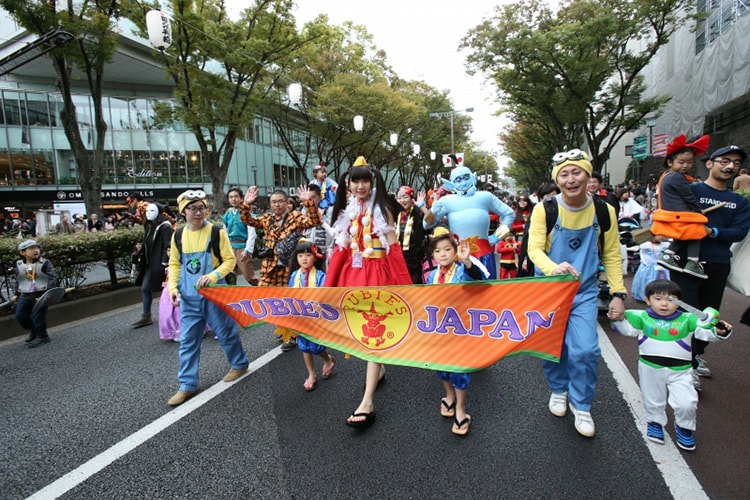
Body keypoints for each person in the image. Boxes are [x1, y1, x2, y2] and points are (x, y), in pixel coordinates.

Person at [527, 149, 626, 438]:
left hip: (583, 291)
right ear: (557, 179)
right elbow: (534, 249)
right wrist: (553, 267)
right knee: (551, 346)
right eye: (564, 174)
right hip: (548, 290)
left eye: (577, 172)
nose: (571, 179)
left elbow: (611, 254)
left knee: (585, 349)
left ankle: (582, 405)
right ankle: (558, 389)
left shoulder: (604, 210)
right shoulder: (545, 209)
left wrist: (618, 292)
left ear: (588, 175)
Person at [324, 156, 412, 428]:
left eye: (365, 180)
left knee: (373, 336)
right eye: (355, 181)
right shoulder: (346, 211)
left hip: (377, 276)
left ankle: (367, 402)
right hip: (353, 276)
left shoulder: (383, 209)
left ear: (372, 182)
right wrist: (328, 287)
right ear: (348, 184)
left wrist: (407, 289)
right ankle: (380, 368)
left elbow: (394, 249)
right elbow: (340, 249)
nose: (360, 186)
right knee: (361, 334)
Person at [611, 279, 732, 451]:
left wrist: (719, 331)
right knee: (652, 399)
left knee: (687, 402)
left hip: (681, 370)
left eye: (671, 299)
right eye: (658, 299)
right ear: (647, 300)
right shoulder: (642, 318)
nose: (664, 304)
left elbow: (706, 332)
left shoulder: (688, 319)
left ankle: (685, 427)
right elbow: (626, 329)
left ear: (679, 302)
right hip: (650, 367)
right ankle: (654, 422)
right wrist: (617, 319)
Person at [668, 144, 750, 391]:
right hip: (684, 262)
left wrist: (711, 231)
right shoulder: (690, 190)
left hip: (718, 264)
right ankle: (686, 362)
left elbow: (739, 232)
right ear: (709, 163)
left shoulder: (739, 201)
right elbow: (671, 217)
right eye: (725, 160)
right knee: (687, 311)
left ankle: (696, 353)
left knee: (708, 314)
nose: (730, 166)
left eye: (735, 163)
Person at [166, 190, 250, 406]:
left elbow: (229, 262)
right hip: (189, 299)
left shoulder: (216, 232)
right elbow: (175, 264)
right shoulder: (178, 235)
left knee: (226, 333)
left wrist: (213, 276)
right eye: (193, 208)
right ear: (183, 211)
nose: (198, 212)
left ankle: (239, 364)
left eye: (201, 207)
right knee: (187, 342)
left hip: (214, 295)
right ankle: (187, 384)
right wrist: (173, 288)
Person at [241, 185, 322, 351]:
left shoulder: (295, 217)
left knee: (289, 301)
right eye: (273, 202)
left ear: (287, 203)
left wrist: (308, 203)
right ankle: (283, 325)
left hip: (288, 266)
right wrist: (246, 204)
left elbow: (315, 221)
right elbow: (248, 221)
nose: (276, 205)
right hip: (269, 267)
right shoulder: (267, 218)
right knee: (267, 299)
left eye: (279, 202)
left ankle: (292, 333)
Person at [425, 229, 485, 435]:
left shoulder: (461, 271)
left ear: (455, 251)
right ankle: (449, 396)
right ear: (432, 255)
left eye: (447, 249)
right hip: (439, 331)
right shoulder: (431, 276)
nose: (443, 254)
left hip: (460, 332)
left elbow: (477, 279)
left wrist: (467, 261)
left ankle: (460, 407)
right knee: (442, 368)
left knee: (459, 370)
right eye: (438, 251)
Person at [423, 160, 515, 279]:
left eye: (466, 177)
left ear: (473, 178)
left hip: (484, 253)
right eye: (458, 180)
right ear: (451, 184)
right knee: (462, 293)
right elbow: (426, 225)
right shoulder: (446, 201)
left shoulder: (485, 197)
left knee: (488, 291)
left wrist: (496, 237)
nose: (463, 182)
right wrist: (433, 211)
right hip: (458, 255)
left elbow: (509, 214)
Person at [652, 134, 711, 279]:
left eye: (690, 162)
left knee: (685, 235)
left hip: (670, 213)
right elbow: (688, 197)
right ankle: (692, 262)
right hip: (679, 213)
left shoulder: (666, 175)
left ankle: (669, 255)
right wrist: (699, 211)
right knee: (696, 231)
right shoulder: (677, 177)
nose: (685, 165)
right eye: (681, 162)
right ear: (670, 162)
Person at [287, 238, 336, 391]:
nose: (304, 259)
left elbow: (323, 295)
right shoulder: (294, 276)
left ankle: (328, 359)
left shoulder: (321, 276)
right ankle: (311, 374)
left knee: (316, 346)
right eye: (300, 255)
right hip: (301, 317)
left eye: (308, 255)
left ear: (315, 257)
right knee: (304, 346)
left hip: (315, 316)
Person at [132, 203, 173, 328]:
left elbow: (168, 245)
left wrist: (164, 262)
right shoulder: (149, 225)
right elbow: (147, 241)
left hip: (160, 263)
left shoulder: (165, 226)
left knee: (166, 291)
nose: (148, 213)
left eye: (151, 210)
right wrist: (141, 246)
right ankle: (146, 315)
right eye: (147, 210)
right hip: (149, 262)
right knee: (145, 288)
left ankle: (170, 316)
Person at [13, 240, 57, 348]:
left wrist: (47, 293)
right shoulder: (19, 264)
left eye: (37, 248)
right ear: (23, 253)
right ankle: (34, 329)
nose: (36, 250)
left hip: (40, 294)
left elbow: (52, 278)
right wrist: (16, 294)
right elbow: (19, 279)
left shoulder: (44, 263)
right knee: (20, 315)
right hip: (25, 294)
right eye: (32, 248)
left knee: (38, 316)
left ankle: (42, 336)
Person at [517, 183, 560, 277]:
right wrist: (526, 258)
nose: (552, 199)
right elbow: (527, 240)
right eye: (548, 196)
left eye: (555, 196)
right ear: (541, 198)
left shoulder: (562, 212)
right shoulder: (537, 213)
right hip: (538, 260)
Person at [222, 187, 259, 286]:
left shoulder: (246, 213)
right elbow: (224, 232)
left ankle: (266, 291)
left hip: (242, 248)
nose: (233, 199)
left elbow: (252, 233)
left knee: (249, 277)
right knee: (230, 276)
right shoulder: (227, 215)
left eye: (236, 197)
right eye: (231, 197)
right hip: (230, 248)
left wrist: (247, 250)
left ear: (241, 198)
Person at [395, 186, 428, 284]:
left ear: (411, 198)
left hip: (415, 259)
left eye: (405, 197)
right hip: (399, 257)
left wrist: (422, 207)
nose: (402, 200)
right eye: (399, 198)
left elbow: (431, 222)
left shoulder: (418, 212)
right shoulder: (395, 213)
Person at [631, 234, 670, 302]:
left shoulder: (665, 245)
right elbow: (643, 256)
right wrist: (649, 264)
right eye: (659, 235)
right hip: (649, 266)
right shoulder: (646, 245)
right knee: (648, 280)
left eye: (663, 235)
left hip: (662, 266)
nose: (662, 237)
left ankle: (664, 296)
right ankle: (647, 296)